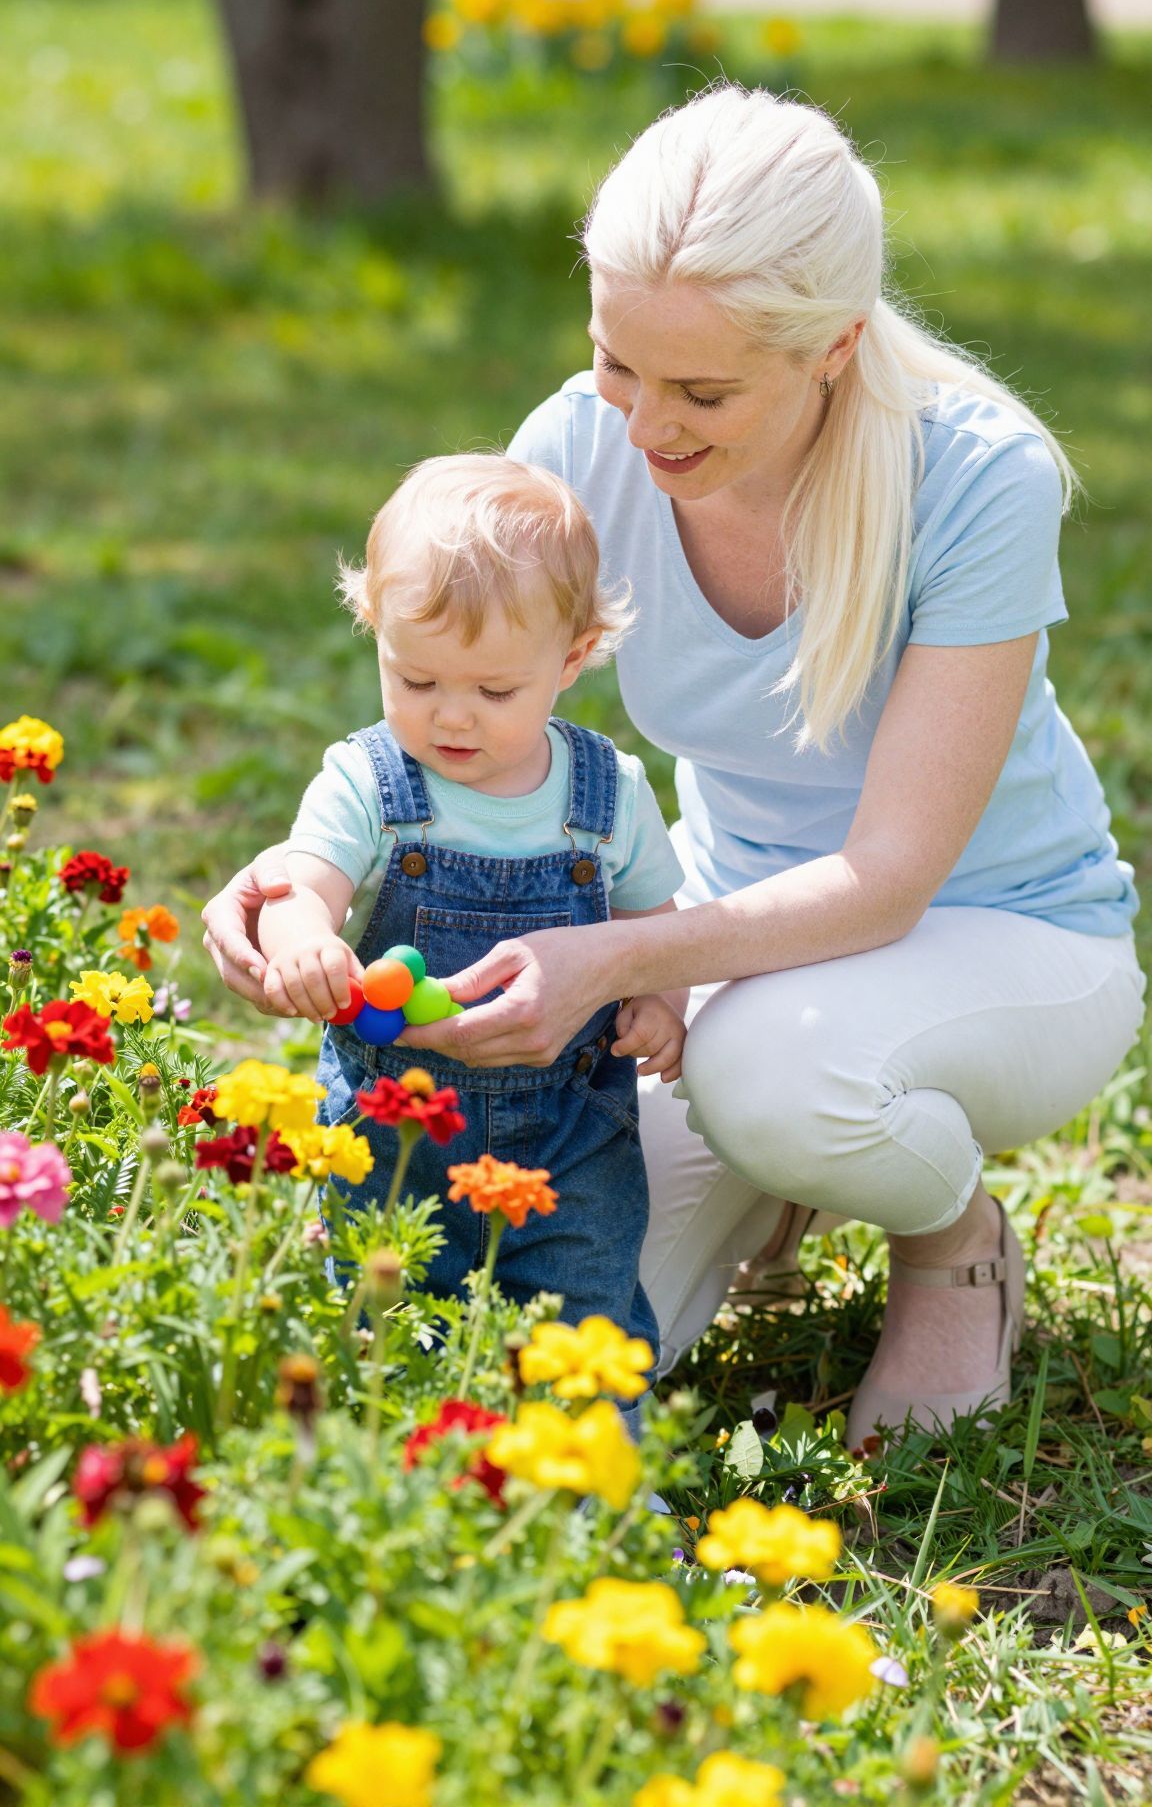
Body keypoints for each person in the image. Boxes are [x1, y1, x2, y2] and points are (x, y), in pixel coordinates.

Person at [204, 84, 1144, 1449]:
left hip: (999, 937)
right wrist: (297, 876)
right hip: (719, 937)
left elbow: (887, 881)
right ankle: (786, 1166)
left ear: (833, 348)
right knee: (555, 1329)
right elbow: (475, 718)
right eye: (617, 364)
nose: (644, 427)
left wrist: (616, 964)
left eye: (703, 390)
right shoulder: (580, 449)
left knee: (772, 1079)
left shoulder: (972, 477)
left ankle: (949, 1230)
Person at [252, 452, 687, 1354]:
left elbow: (654, 923)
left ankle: (596, 1481)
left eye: (495, 692)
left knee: (585, 1306)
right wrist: (301, 938)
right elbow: (306, 880)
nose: (452, 718)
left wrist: (660, 999)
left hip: (570, 1133)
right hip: (390, 1122)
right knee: (377, 1313)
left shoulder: (607, 794)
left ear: (570, 661)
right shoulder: (367, 779)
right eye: (417, 681)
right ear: (375, 629)